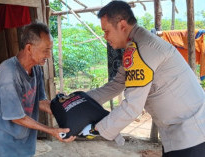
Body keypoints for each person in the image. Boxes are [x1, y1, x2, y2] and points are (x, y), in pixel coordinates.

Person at [85, 1, 205, 157]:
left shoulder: (143, 49)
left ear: (122, 25)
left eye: (106, 31)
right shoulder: (136, 46)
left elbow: (132, 107)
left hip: (192, 135)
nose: (105, 36)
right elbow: (116, 85)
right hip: (181, 134)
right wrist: (80, 99)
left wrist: (92, 130)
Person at [0, 22, 76, 157]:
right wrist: (51, 130)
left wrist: (66, 110)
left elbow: (41, 101)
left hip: (22, 139)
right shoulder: (9, 73)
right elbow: (16, 117)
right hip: (2, 141)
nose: (49, 55)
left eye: (50, 50)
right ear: (29, 48)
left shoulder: (36, 69)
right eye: (45, 50)